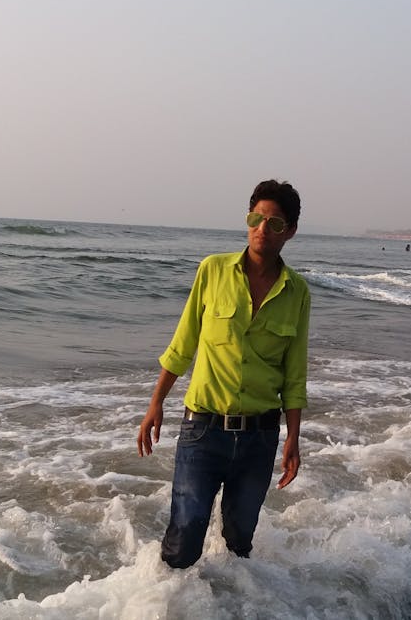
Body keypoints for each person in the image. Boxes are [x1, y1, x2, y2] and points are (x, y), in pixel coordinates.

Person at [137, 179, 310, 569]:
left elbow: (294, 372)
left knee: (239, 542)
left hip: (259, 438)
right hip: (203, 430)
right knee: (185, 535)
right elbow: (183, 343)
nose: (262, 229)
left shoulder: (297, 292)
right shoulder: (212, 270)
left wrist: (293, 438)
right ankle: (166, 598)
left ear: (290, 231)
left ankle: (231, 599)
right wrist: (155, 403)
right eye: (256, 219)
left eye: (275, 223)